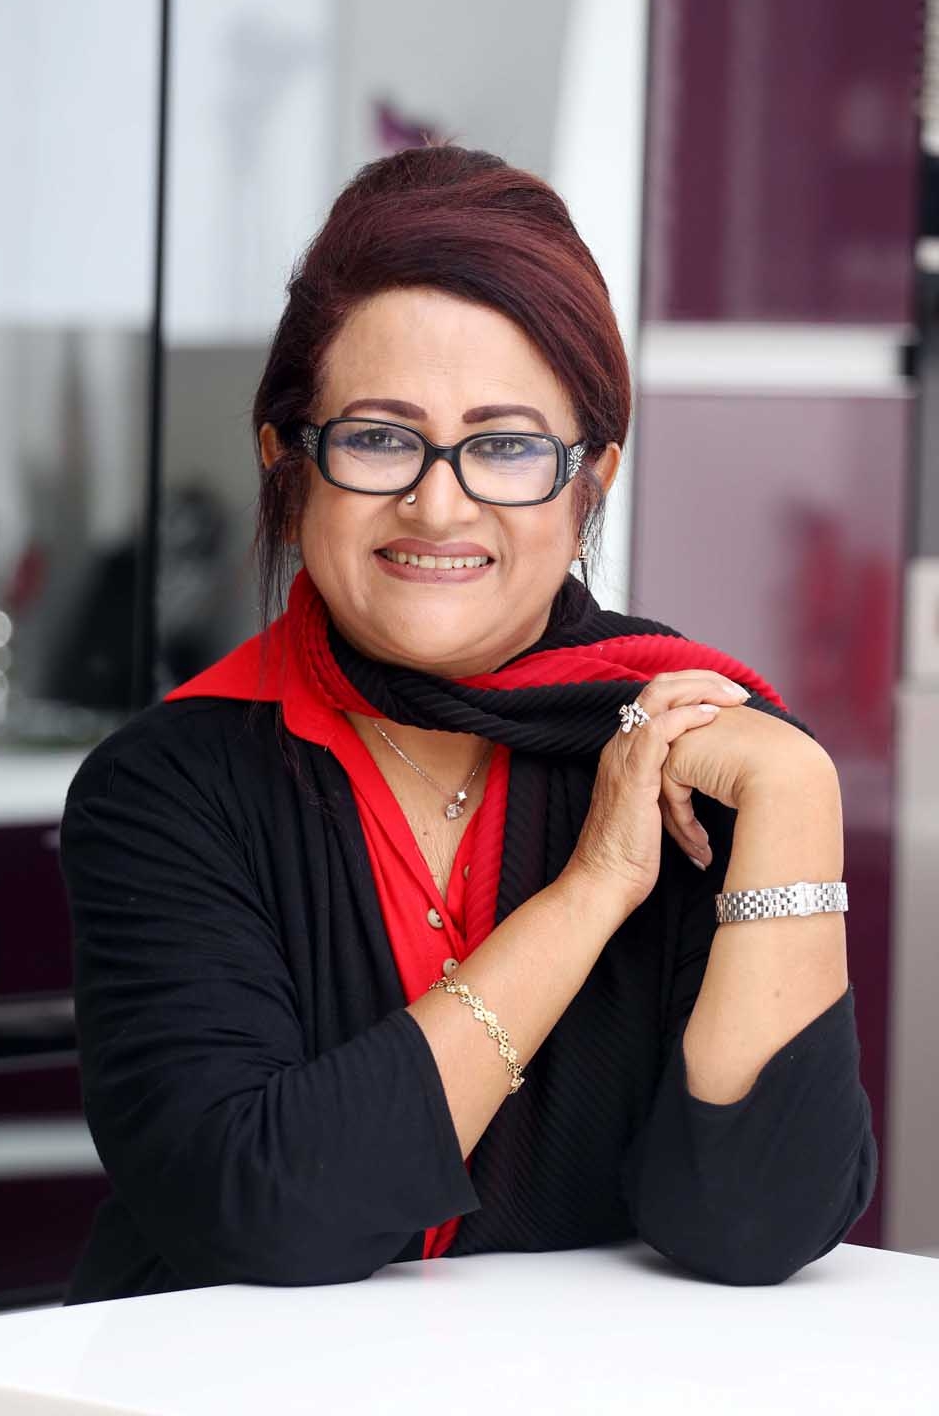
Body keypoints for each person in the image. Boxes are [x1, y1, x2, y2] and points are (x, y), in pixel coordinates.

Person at [59, 144, 876, 1304]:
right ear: (286, 466)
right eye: (378, 436)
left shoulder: (699, 752)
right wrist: (592, 889)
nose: (437, 504)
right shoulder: (168, 785)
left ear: (589, 480)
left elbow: (752, 1226)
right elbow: (260, 1211)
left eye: (504, 445)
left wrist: (797, 795)